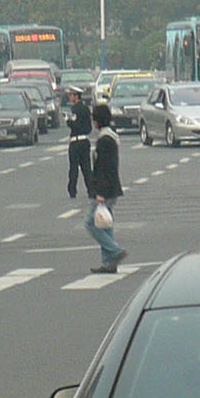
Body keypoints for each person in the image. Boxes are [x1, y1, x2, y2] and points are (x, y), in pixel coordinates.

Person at [85, 104, 127, 274]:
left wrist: (99, 193)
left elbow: (104, 168)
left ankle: (115, 251)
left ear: (97, 120)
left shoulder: (105, 140)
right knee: (105, 225)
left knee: (91, 224)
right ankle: (109, 263)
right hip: (110, 188)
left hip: (105, 190)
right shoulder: (109, 137)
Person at [64, 89, 93, 199]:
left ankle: (72, 190)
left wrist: (68, 121)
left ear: (76, 96)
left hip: (75, 142)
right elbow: (89, 127)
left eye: (71, 95)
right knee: (86, 167)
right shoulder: (86, 109)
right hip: (85, 140)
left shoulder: (74, 109)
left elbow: (75, 125)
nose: (70, 97)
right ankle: (91, 190)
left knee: (74, 168)